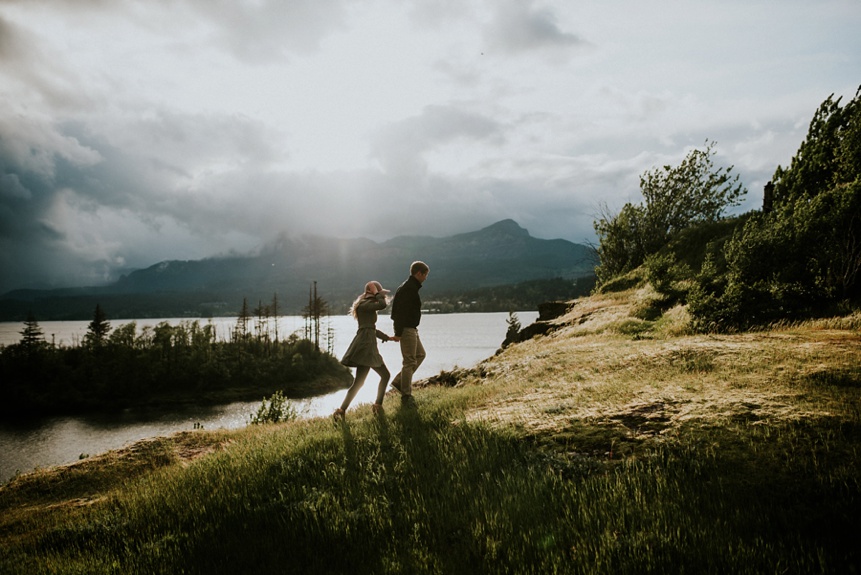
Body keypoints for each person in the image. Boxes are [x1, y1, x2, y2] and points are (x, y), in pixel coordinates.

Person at [333, 281, 394, 421]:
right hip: (366, 346)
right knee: (385, 375)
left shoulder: (365, 305)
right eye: (378, 292)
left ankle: (341, 411)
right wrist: (376, 292)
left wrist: (386, 337)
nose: (381, 296)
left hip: (366, 344)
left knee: (359, 383)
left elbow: (369, 328)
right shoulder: (364, 305)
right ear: (371, 291)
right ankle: (377, 406)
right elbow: (382, 305)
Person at [389, 261, 429, 406]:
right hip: (406, 330)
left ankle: (399, 381)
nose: (425, 278)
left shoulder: (411, 287)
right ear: (419, 273)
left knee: (421, 355)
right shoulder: (408, 289)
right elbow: (398, 313)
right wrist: (398, 333)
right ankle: (406, 396)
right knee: (409, 362)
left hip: (412, 329)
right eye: (425, 275)